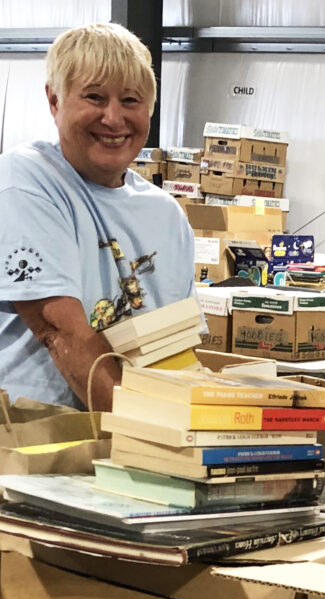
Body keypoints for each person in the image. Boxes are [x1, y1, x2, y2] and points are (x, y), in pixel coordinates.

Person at [0, 23, 196, 411]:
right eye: (94, 97)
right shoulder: (25, 181)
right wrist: (157, 433)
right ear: (55, 101)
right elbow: (59, 331)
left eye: (130, 100)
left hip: (136, 434)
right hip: (36, 438)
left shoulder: (167, 215)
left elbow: (175, 351)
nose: (113, 118)